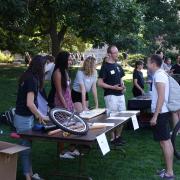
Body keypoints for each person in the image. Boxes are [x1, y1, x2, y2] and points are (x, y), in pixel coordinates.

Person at [14, 55, 48, 180]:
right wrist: (40, 115)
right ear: (40, 67)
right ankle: (28, 176)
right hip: (23, 118)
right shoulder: (32, 80)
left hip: (23, 116)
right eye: (45, 66)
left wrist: (37, 115)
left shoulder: (27, 75)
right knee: (25, 148)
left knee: (27, 146)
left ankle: (31, 174)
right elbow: (30, 103)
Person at [147, 55, 175, 179]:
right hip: (163, 112)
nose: (147, 65)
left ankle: (169, 173)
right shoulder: (160, 74)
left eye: (148, 62)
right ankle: (168, 169)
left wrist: (155, 116)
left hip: (161, 113)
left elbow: (161, 97)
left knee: (165, 143)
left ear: (153, 64)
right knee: (166, 142)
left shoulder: (159, 75)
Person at [48, 51, 79, 159]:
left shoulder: (65, 71)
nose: (71, 61)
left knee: (71, 125)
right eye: (69, 59)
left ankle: (70, 148)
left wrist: (71, 103)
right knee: (62, 127)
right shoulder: (57, 72)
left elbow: (68, 89)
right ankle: (61, 152)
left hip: (68, 101)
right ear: (63, 60)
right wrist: (65, 106)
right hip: (60, 103)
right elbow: (59, 92)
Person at [98, 45, 126, 146]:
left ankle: (118, 137)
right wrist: (113, 87)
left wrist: (123, 87)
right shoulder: (105, 67)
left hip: (120, 95)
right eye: (115, 53)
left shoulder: (118, 66)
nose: (117, 54)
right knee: (113, 117)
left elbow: (121, 79)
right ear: (109, 54)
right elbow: (100, 83)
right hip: (110, 95)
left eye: (117, 52)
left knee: (122, 116)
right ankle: (112, 138)